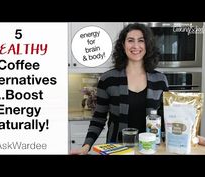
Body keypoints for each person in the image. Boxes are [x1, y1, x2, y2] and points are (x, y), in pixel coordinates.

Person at [73, 23, 204, 155]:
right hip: (117, 149)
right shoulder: (108, 79)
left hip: (153, 149)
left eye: (141, 40)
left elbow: (168, 119)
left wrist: (193, 137)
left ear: (147, 45)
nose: (136, 46)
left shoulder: (160, 80)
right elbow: (99, 118)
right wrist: (86, 146)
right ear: (123, 45)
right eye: (130, 40)